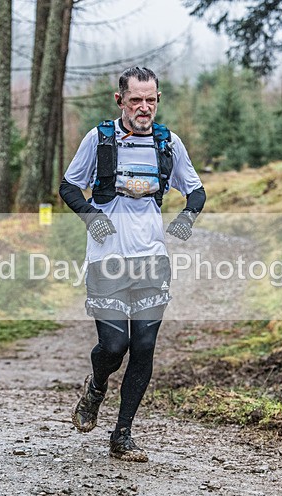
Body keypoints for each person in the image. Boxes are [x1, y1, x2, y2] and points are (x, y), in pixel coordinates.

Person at [59, 66, 206, 462]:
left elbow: (196, 190)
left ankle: (122, 434)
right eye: (136, 99)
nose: (144, 107)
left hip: (151, 260)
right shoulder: (100, 139)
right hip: (106, 259)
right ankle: (96, 386)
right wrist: (91, 216)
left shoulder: (167, 143)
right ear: (120, 100)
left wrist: (187, 217)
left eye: (151, 100)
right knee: (114, 345)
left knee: (143, 347)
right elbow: (68, 186)